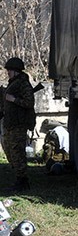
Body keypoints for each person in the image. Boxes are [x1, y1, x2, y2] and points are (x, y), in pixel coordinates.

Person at [0, 57, 35, 192]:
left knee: (17, 153)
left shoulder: (23, 84)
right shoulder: (12, 83)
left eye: (9, 70)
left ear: (16, 71)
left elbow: (29, 103)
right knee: (9, 152)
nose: (7, 72)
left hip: (19, 124)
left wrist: (14, 99)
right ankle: (19, 177)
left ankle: (22, 181)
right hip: (10, 123)